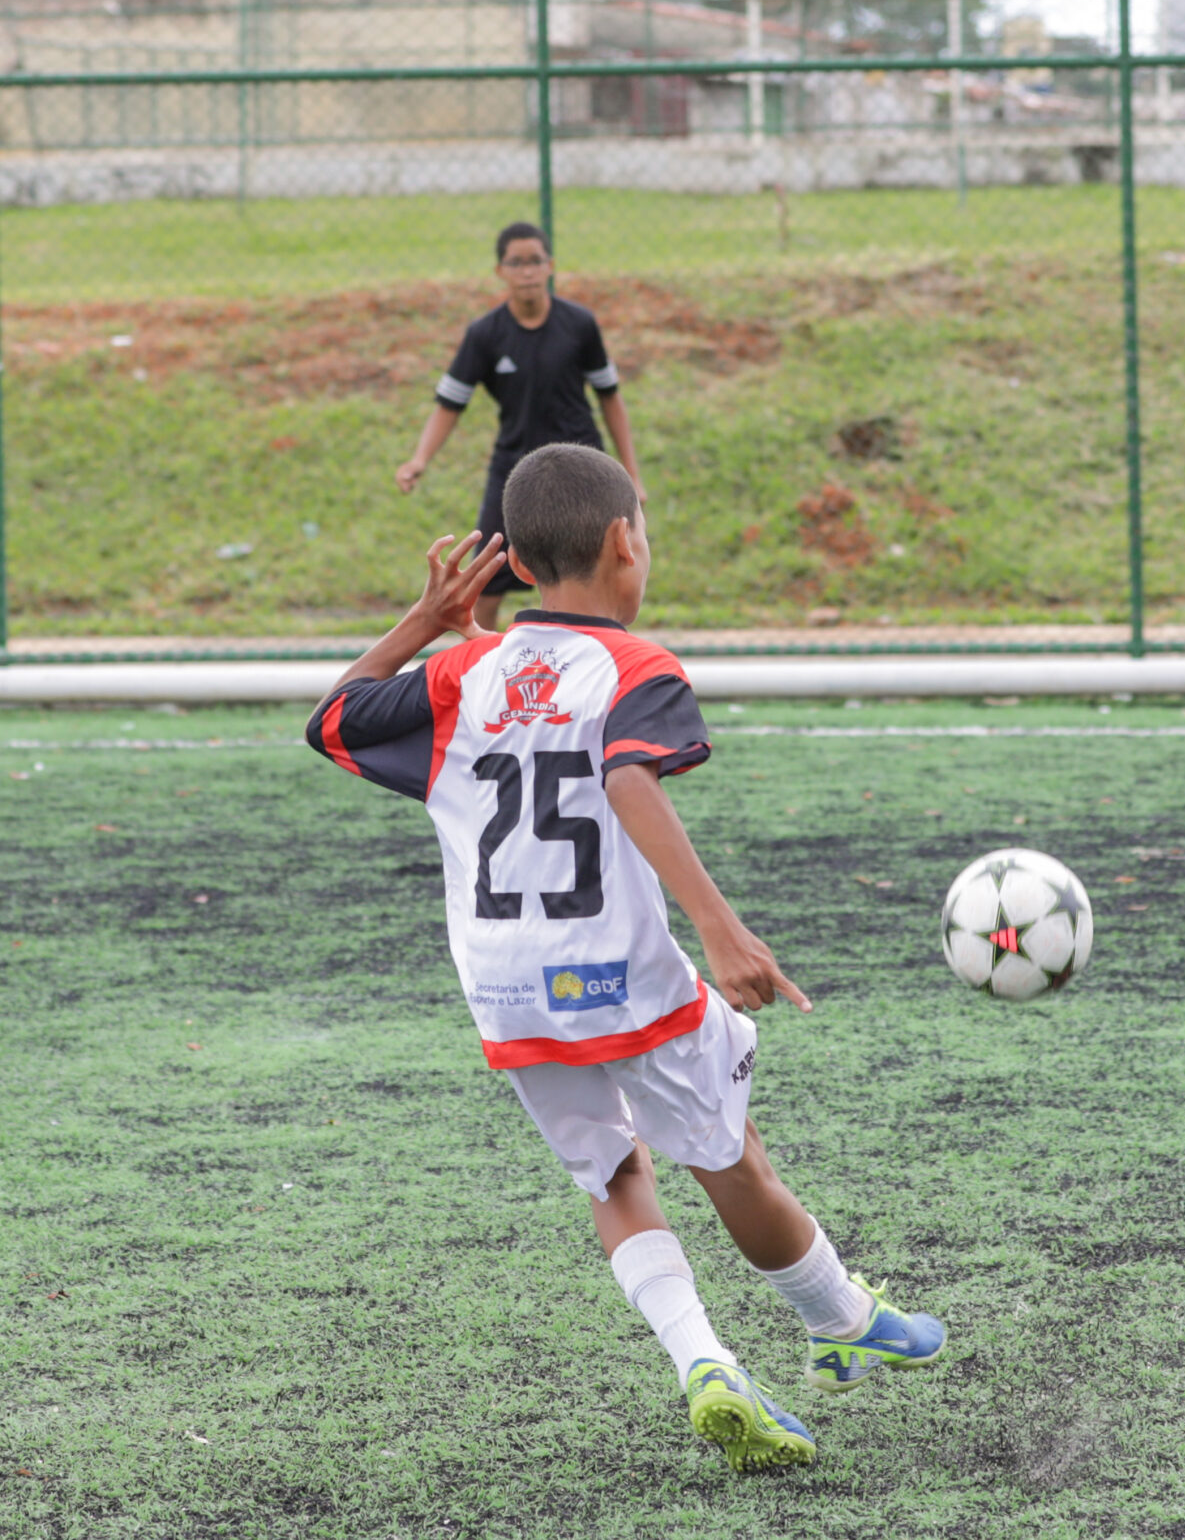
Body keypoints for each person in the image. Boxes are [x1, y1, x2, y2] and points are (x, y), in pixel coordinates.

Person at [306, 443, 944, 1472]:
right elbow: (630, 779)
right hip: (616, 972)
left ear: (513, 562)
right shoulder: (638, 665)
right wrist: (721, 928)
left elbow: (330, 720)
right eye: (643, 534)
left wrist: (421, 624)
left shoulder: (460, 671)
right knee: (728, 1152)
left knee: (613, 1174)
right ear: (620, 541)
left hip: (506, 985)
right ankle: (838, 1318)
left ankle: (706, 1360)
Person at [394, 222, 646, 634]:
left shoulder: (580, 325)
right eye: (516, 262)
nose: (527, 271)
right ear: (500, 271)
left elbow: (610, 398)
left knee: (600, 579)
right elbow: (450, 404)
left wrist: (632, 476)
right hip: (517, 474)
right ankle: (482, 671)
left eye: (535, 261)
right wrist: (419, 459)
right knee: (484, 579)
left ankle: (603, 668)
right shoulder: (484, 335)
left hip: (584, 472)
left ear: (550, 267)